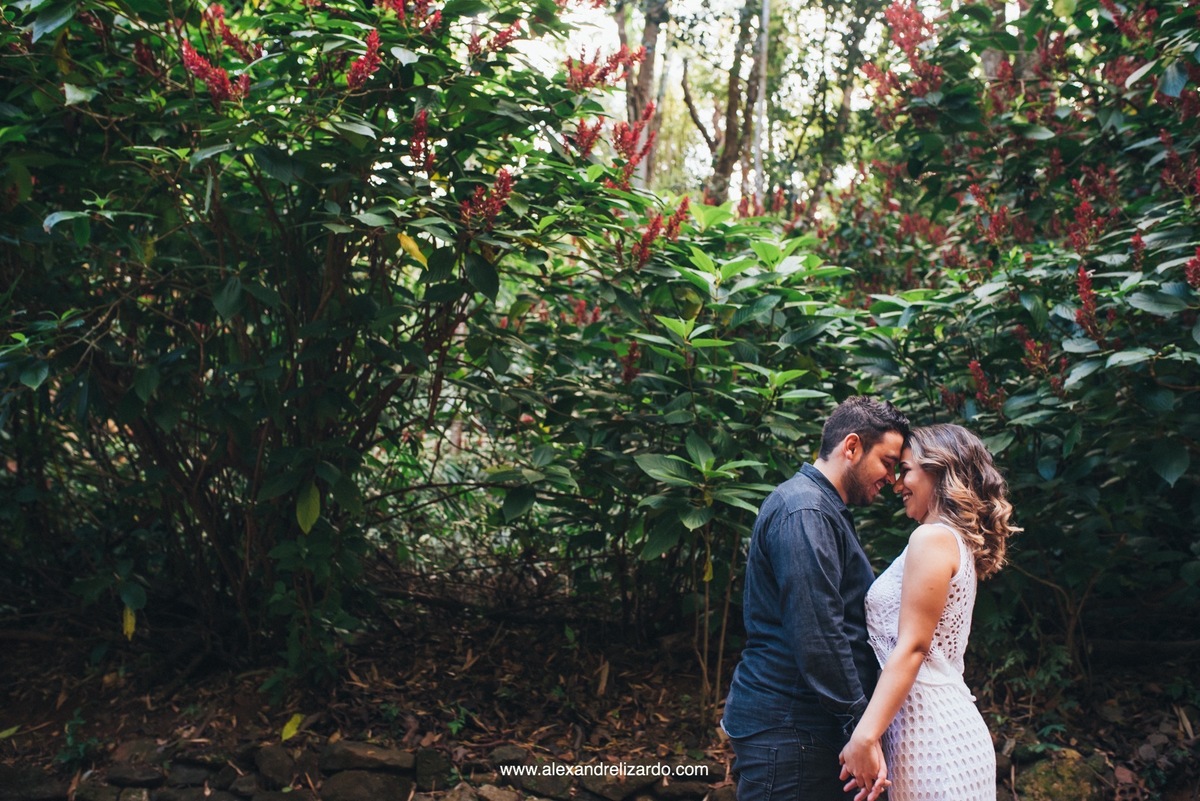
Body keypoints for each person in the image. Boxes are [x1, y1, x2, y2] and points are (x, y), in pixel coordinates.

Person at [722, 396, 910, 801]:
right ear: (853, 446)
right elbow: (819, 633)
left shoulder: (822, 508)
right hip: (791, 730)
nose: (893, 479)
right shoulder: (806, 510)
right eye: (888, 463)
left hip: (806, 728)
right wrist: (862, 727)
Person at [839, 423, 1020, 801]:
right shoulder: (949, 539)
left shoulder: (932, 538)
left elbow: (914, 647)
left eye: (905, 470)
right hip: (925, 731)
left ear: (937, 470)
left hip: (933, 737)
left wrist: (865, 735)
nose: (896, 483)